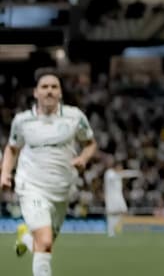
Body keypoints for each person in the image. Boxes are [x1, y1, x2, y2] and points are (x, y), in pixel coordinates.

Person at [1, 72, 98, 276]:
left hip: (62, 190)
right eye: (44, 87)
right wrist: (5, 174)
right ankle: (31, 239)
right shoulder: (22, 121)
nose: (49, 91)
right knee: (44, 242)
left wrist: (83, 158)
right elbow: (12, 148)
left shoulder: (75, 117)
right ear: (36, 93)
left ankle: (25, 238)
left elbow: (90, 143)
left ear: (60, 93)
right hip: (32, 187)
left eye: (54, 87)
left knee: (42, 244)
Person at [103, 156, 141, 237]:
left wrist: (135, 173)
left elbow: (123, 174)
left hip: (118, 197)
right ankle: (110, 232)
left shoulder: (118, 174)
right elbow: (117, 176)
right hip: (111, 197)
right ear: (116, 166)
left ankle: (112, 229)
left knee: (122, 211)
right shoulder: (109, 173)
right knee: (112, 214)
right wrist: (132, 173)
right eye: (120, 167)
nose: (121, 168)